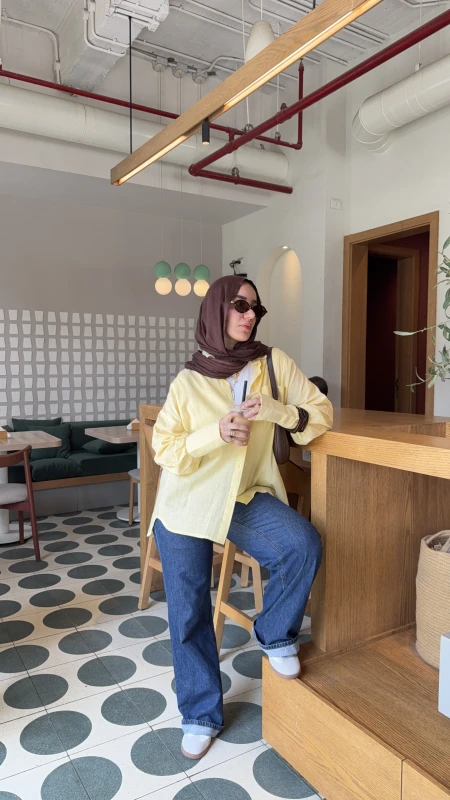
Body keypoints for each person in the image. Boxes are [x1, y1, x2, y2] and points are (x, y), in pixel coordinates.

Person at [149, 275, 333, 761]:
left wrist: (277, 410)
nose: (250, 315)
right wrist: (214, 433)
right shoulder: (189, 380)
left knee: (302, 544)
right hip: (187, 502)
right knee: (188, 609)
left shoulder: (273, 363)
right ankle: (199, 713)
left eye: (256, 308)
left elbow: (320, 413)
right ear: (216, 309)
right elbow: (164, 449)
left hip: (244, 496)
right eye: (240, 304)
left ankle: (275, 633)